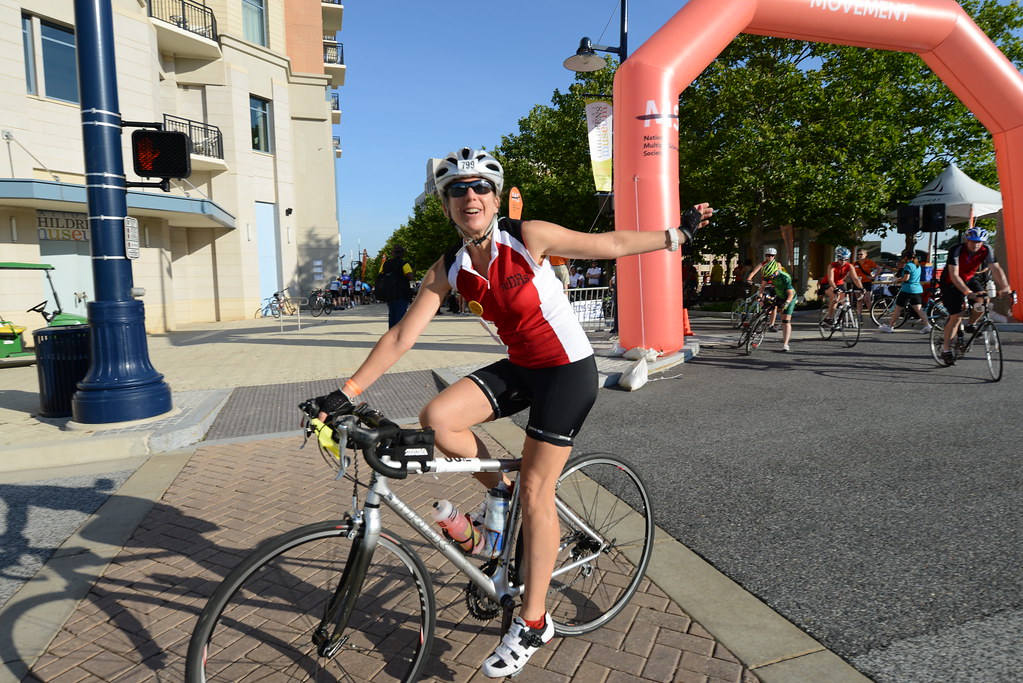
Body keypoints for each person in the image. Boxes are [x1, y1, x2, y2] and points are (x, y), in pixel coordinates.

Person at [313, 147, 713, 678]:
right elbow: (401, 335)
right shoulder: (449, 269)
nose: (469, 196)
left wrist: (677, 235)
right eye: (457, 189)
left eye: (480, 187)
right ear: (445, 204)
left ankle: (533, 621)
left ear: (496, 198)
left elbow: (611, 244)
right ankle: (497, 499)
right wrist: (346, 391)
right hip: (523, 365)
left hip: (568, 371)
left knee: (538, 487)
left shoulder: (529, 238)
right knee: (438, 417)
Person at [937, 227, 1011, 365]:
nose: (975, 245)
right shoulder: (956, 249)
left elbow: (996, 268)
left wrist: (1005, 287)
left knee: (983, 302)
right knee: (957, 316)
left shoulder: (987, 249)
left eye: (979, 242)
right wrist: (967, 292)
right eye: (972, 241)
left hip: (969, 278)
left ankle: (971, 324)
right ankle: (946, 350)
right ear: (966, 240)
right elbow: (954, 274)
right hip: (951, 282)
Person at [878, 249, 931, 334]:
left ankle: (890, 327)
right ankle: (927, 325)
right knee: (919, 309)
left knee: (898, 308)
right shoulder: (917, 265)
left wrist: (897, 280)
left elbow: (906, 278)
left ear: (905, 257)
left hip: (907, 289)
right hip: (917, 289)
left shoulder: (908, 266)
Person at [760, 259, 796, 351]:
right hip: (778, 294)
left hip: (789, 297)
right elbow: (762, 288)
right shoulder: (767, 275)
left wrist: (787, 303)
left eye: (771, 276)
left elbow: (790, 294)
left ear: (776, 271)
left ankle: (785, 344)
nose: (770, 278)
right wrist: (760, 298)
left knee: (786, 320)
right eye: (768, 277)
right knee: (766, 304)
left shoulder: (785, 277)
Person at [823, 246, 863, 325]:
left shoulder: (849, 266)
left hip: (840, 284)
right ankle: (829, 317)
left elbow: (855, 278)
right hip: (828, 284)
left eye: (846, 259)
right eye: (841, 259)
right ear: (837, 258)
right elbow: (830, 279)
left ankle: (839, 322)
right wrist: (835, 288)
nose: (843, 261)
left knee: (845, 303)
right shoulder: (832, 266)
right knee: (836, 297)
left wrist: (861, 288)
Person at [381, 244, 415, 328]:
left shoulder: (386, 264)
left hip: (389, 294)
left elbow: (381, 275)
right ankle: (398, 336)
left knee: (392, 316)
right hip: (401, 294)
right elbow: (410, 277)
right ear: (402, 254)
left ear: (393, 253)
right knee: (400, 317)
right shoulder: (404, 264)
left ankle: (391, 335)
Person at [853, 248, 879, 317]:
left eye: (861, 254)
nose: (860, 256)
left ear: (865, 255)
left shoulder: (869, 262)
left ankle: (871, 314)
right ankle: (859, 314)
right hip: (858, 282)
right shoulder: (855, 263)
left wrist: (874, 276)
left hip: (866, 282)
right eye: (858, 254)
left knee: (867, 299)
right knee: (859, 299)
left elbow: (879, 269)